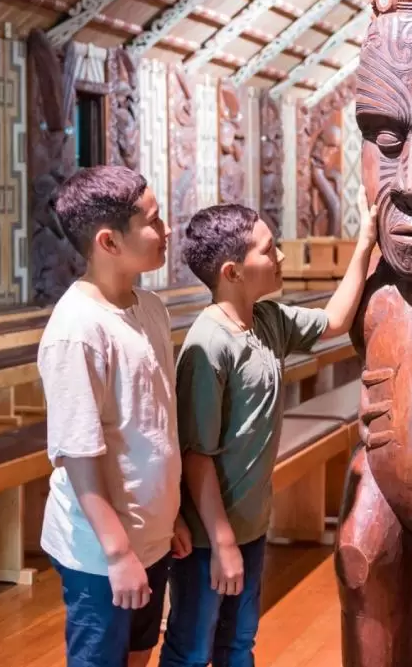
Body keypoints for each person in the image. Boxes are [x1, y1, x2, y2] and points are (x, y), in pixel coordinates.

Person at [161, 204, 378, 667]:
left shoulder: (266, 320)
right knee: (192, 649)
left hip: (251, 523)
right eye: (267, 248)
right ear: (233, 271)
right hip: (207, 534)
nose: (280, 254)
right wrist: (221, 543)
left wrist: (365, 242)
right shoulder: (208, 345)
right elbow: (196, 456)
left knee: (238, 644)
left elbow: (335, 321)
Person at [36, 165, 193, 667]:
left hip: (151, 532)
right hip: (101, 553)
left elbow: (154, 423)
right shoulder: (77, 330)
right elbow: (79, 455)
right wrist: (119, 552)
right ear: (109, 241)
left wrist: (170, 515)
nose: (165, 230)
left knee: (139, 652)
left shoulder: (149, 306)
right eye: (152, 220)